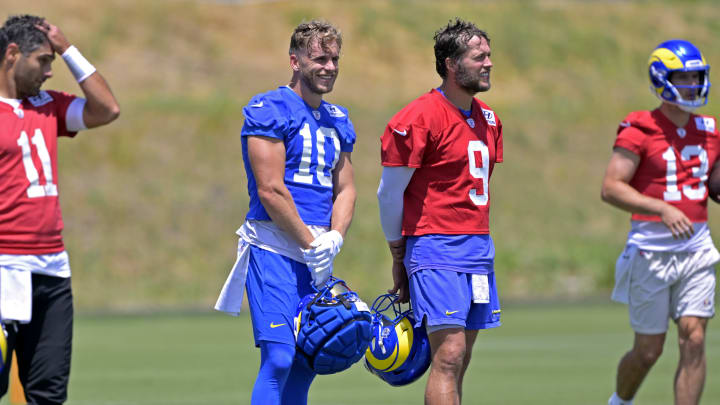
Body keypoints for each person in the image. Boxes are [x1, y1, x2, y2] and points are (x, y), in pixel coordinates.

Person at [214, 20, 356, 405]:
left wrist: (335, 237)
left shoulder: (337, 119)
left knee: (310, 358)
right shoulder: (270, 109)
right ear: (295, 61)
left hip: (317, 253)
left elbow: (346, 187)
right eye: (319, 58)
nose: (328, 66)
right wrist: (313, 245)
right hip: (275, 247)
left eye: (334, 59)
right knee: (279, 357)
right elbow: (271, 190)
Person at [377, 18, 503, 405]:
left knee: (460, 359)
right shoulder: (419, 117)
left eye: (489, 56)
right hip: (436, 246)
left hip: (478, 247)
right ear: (451, 64)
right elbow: (388, 194)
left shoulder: (489, 119)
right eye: (478, 56)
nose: (488, 63)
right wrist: (398, 250)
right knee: (447, 356)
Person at [0, 14, 120, 404]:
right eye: (43, 60)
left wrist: (68, 49)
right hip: (3, 265)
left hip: (51, 267)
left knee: (47, 393)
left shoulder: (47, 106)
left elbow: (107, 110)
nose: (50, 72)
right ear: (12, 54)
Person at [601, 39, 720, 405]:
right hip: (651, 247)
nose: (691, 84)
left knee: (694, 337)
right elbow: (611, 188)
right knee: (649, 350)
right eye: (683, 78)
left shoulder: (711, 129)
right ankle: (620, 402)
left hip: (697, 245)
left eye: (695, 77)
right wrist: (661, 208)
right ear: (662, 81)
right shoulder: (640, 127)